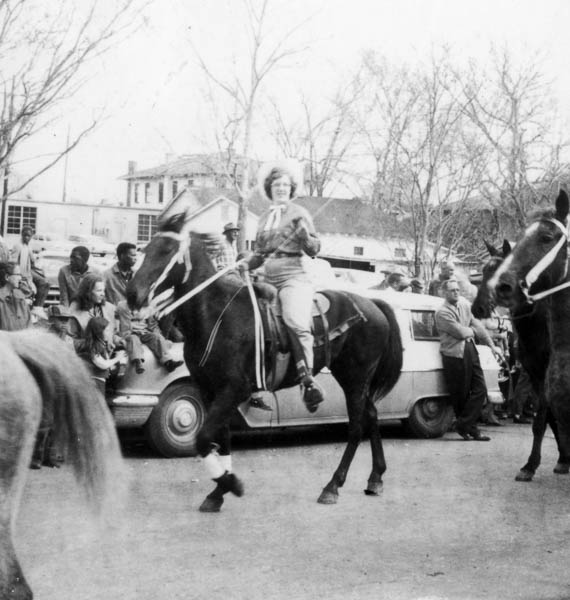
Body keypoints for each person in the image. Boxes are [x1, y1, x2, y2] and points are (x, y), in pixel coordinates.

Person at [237, 165, 325, 413]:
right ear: (270, 189)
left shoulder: (300, 212)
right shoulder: (265, 217)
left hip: (293, 277)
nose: (281, 189)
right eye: (277, 186)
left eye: (285, 185)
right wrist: (245, 263)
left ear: (291, 188)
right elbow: (259, 255)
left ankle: (307, 380)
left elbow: (314, 249)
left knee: (294, 320)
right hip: (267, 276)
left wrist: (305, 235)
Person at [435, 279, 503, 441]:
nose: (456, 292)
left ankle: (462, 424)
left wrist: (492, 345)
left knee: (481, 389)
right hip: (454, 354)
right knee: (461, 394)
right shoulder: (442, 312)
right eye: (452, 290)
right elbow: (461, 333)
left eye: (457, 290)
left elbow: (477, 326)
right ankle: (471, 430)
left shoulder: (464, 305)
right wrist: (473, 329)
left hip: (470, 350)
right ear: (444, 293)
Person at [116, 300, 183, 374]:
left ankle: (168, 362)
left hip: (144, 332)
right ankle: (138, 362)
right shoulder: (122, 306)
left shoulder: (147, 308)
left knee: (156, 336)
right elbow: (120, 324)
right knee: (133, 339)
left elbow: (153, 325)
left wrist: (162, 338)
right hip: (131, 333)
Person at [68, 273, 124, 353]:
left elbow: (112, 333)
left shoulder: (109, 308)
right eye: (99, 291)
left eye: (103, 290)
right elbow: (69, 342)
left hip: (109, 353)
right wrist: (93, 343)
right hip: (86, 356)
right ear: (87, 292)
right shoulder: (75, 311)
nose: (103, 294)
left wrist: (118, 340)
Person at [78, 316, 126, 394]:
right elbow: (102, 364)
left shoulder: (99, 344)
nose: (109, 333)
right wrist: (117, 358)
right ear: (99, 331)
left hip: (98, 381)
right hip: (94, 382)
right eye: (106, 330)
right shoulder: (93, 346)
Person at [10, 226, 50, 318]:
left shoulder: (28, 246)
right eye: (25, 235)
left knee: (46, 282)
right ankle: (36, 308)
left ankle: (38, 307)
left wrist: (38, 259)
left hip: (28, 270)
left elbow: (32, 260)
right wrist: (17, 276)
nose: (26, 238)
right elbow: (12, 262)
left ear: (32, 236)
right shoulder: (18, 245)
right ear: (22, 235)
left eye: (29, 236)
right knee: (42, 283)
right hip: (21, 272)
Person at [0, 261, 31, 330]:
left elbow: (30, 327)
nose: (20, 278)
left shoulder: (21, 299)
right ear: (7, 277)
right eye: (18, 274)